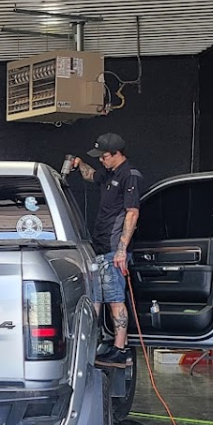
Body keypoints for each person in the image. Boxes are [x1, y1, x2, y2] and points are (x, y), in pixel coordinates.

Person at [68, 133, 142, 368]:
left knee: (115, 300)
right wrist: (80, 164)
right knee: (98, 298)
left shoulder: (130, 176)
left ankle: (120, 350)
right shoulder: (109, 173)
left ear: (118, 153)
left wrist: (121, 250)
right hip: (99, 247)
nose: (101, 160)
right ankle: (101, 345)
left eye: (104, 156)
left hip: (113, 250)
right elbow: (92, 176)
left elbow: (132, 213)